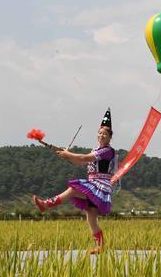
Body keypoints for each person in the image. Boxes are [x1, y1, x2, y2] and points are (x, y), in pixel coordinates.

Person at [32, 108, 117, 254]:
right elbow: (79, 162)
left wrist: (68, 154)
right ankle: (100, 246)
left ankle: (46, 204)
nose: (101, 135)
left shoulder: (107, 151)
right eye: (100, 133)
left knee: (73, 189)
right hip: (94, 184)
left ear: (110, 138)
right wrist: (67, 156)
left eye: (105, 134)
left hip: (99, 185)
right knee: (91, 217)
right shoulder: (96, 149)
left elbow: (84, 158)